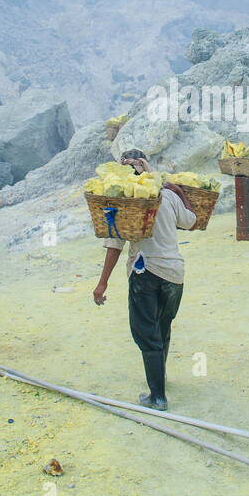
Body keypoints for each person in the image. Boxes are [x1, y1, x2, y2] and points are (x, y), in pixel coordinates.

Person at [92, 149, 196, 410]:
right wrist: (180, 192)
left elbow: (114, 245)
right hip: (174, 273)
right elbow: (191, 221)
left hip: (144, 273)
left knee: (147, 335)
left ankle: (157, 397)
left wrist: (102, 283)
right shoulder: (169, 195)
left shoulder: (124, 202)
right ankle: (160, 381)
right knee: (163, 328)